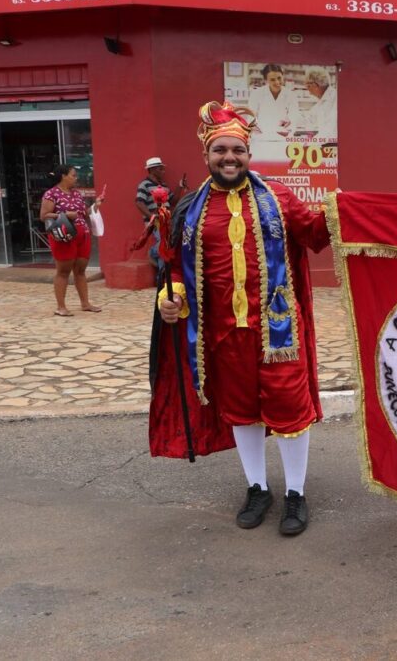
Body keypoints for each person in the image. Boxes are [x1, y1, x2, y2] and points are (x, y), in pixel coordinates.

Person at [151, 101, 333, 536]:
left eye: (237, 150)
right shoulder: (189, 210)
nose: (229, 157)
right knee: (241, 412)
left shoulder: (279, 197)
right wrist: (170, 297)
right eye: (220, 150)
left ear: (249, 154)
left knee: (290, 411)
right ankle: (257, 488)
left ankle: (295, 493)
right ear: (206, 155)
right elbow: (174, 267)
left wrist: (336, 212)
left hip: (279, 332)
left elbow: (313, 235)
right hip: (222, 335)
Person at [40, 164, 104, 316]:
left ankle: (85, 303)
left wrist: (96, 205)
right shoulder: (51, 194)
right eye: (73, 175)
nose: (76, 178)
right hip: (64, 236)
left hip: (82, 235)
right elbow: (44, 216)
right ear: (63, 176)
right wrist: (64, 215)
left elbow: (84, 213)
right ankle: (61, 307)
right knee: (63, 271)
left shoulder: (76, 193)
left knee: (80, 271)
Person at [136, 157, 187, 275]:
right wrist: (152, 217)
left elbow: (173, 201)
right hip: (156, 221)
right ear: (152, 170)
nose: (163, 171)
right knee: (164, 244)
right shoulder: (144, 185)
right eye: (160, 169)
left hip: (167, 220)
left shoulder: (163, 185)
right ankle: (159, 266)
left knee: (167, 245)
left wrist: (180, 186)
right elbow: (139, 202)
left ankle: (160, 272)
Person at [247, 63, 301, 141]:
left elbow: (294, 115)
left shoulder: (291, 95)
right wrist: (254, 129)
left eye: (279, 78)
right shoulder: (256, 94)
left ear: (283, 76)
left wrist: (290, 122)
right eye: (272, 80)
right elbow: (251, 117)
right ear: (266, 80)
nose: (277, 82)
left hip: (283, 138)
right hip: (262, 138)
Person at [303, 66, 337, 141]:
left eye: (308, 86)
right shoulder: (324, 99)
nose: (308, 91)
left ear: (315, 85)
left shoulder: (335, 99)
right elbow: (310, 118)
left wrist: (310, 143)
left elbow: (329, 133)